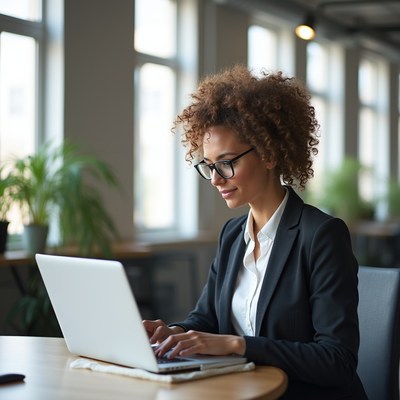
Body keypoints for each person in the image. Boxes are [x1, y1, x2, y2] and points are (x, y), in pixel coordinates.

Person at [143, 65, 367, 399]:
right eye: (209, 165)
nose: (216, 178)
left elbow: (336, 359)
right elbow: (205, 320)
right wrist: (172, 332)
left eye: (227, 162)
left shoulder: (322, 235)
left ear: (269, 154)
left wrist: (236, 345)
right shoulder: (233, 236)